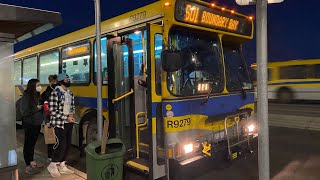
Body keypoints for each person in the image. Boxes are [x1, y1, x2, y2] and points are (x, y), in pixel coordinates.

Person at [47, 73, 75, 177]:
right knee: (61, 145)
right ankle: (53, 165)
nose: (68, 81)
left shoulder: (70, 93)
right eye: (66, 79)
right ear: (61, 81)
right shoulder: (55, 93)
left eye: (68, 79)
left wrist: (71, 114)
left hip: (69, 122)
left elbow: (72, 106)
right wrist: (66, 117)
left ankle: (62, 165)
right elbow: (52, 110)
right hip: (59, 123)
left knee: (68, 144)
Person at [20, 79, 44, 174]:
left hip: (36, 123)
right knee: (28, 144)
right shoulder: (26, 96)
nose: (40, 87)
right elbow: (24, 111)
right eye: (38, 85)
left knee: (33, 144)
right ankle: (28, 165)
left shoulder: (37, 95)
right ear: (33, 86)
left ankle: (32, 161)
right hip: (29, 123)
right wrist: (37, 108)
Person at [40, 74, 58, 162]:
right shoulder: (48, 91)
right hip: (50, 117)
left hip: (53, 116)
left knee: (54, 136)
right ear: (51, 81)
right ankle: (50, 156)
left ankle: (53, 156)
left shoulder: (50, 90)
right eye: (55, 81)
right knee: (51, 136)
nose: (55, 83)